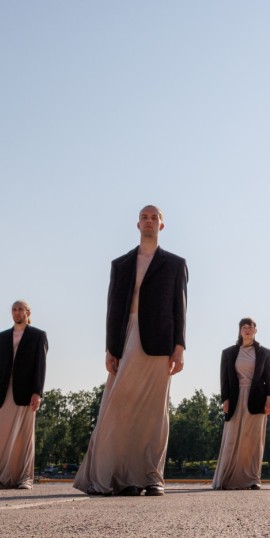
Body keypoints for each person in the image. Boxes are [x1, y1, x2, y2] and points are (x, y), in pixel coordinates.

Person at [74, 205, 188, 497]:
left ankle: (152, 476)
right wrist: (110, 347)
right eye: (144, 217)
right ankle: (122, 476)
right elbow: (112, 308)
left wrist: (179, 346)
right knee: (119, 405)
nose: (149, 221)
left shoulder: (176, 264)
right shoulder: (121, 264)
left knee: (154, 411)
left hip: (160, 342)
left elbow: (180, 308)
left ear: (162, 226)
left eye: (154, 218)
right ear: (137, 225)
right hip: (127, 338)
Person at [0, 300, 48, 490]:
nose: (16, 313)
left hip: (26, 393)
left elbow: (41, 366)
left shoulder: (38, 336)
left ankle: (24, 479)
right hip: (3, 392)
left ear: (28, 312)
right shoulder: (1, 337)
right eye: (14, 310)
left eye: (20, 309)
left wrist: (37, 392)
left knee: (24, 436)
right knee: (0, 436)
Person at [212, 317, 270, 490]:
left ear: (255, 330)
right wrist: (225, 399)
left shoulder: (265, 353)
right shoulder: (229, 353)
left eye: (250, 327)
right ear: (240, 331)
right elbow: (224, 379)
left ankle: (253, 479)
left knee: (253, 440)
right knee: (232, 438)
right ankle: (226, 479)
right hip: (235, 397)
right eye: (244, 327)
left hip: (257, 399)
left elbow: (268, 378)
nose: (247, 330)